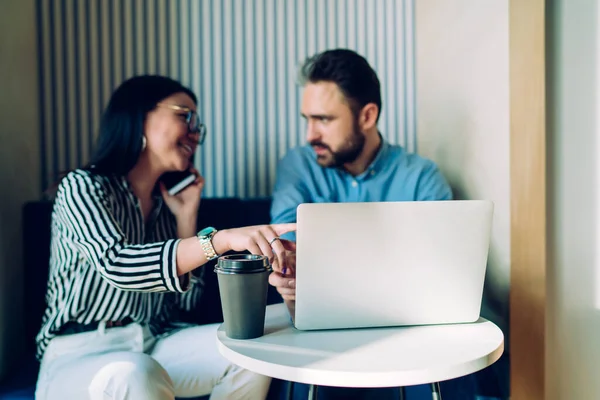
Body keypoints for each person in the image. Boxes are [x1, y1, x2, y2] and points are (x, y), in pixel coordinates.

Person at [35, 75, 295, 400]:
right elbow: (118, 264)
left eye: (197, 123)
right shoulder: (83, 187)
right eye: (184, 115)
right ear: (140, 116)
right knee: (135, 374)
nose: (196, 133)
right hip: (80, 352)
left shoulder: (163, 207)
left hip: (154, 342)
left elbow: (183, 308)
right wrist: (220, 240)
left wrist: (186, 219)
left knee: (251, 352)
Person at [268, 49, 456, 400]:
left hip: (406, 330)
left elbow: (440, 266)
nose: (310, 134)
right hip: (319, 331)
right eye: (306, 119)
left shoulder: (420, 177)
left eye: (323, 119)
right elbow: (289, 242)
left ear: (367, 115)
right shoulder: (297, 165)